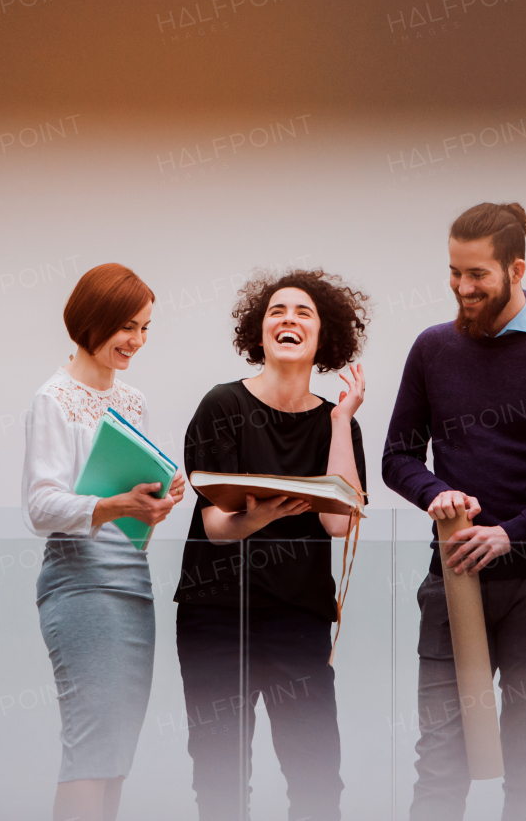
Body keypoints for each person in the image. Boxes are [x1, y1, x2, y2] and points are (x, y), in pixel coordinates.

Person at [383, 202, 526, 821]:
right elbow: (397, 457)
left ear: (516, 268)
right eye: (454, 272)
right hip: (453, 578)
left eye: (477, 274)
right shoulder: (431, 350)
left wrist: (511, 534)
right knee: (440, 762)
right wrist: (434, 494)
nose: (462, 287)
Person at [174, 268, 369, 821]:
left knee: (316, 779)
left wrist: (341, 419)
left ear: (323, 336)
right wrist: (256, 517)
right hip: (216, 614)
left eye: (303, 312)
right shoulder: (223, 405)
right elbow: (214, 526)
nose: (288, 320)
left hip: (298, 618)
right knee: (220, 776)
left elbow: (337, 524)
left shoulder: (339, 422)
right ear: (258, 334)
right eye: (276, 312)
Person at [22, 263, 187, 821]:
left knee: (114, 758)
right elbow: (40, 507)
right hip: (80, 585)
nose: (136, 341)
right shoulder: (53, 398)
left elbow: (130, 511)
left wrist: (157, 501)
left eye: (144, 328)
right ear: (91, 323)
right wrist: (120, 504)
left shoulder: (133, 402)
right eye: (125, 327)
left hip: (130, 584)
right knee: (89, 753)